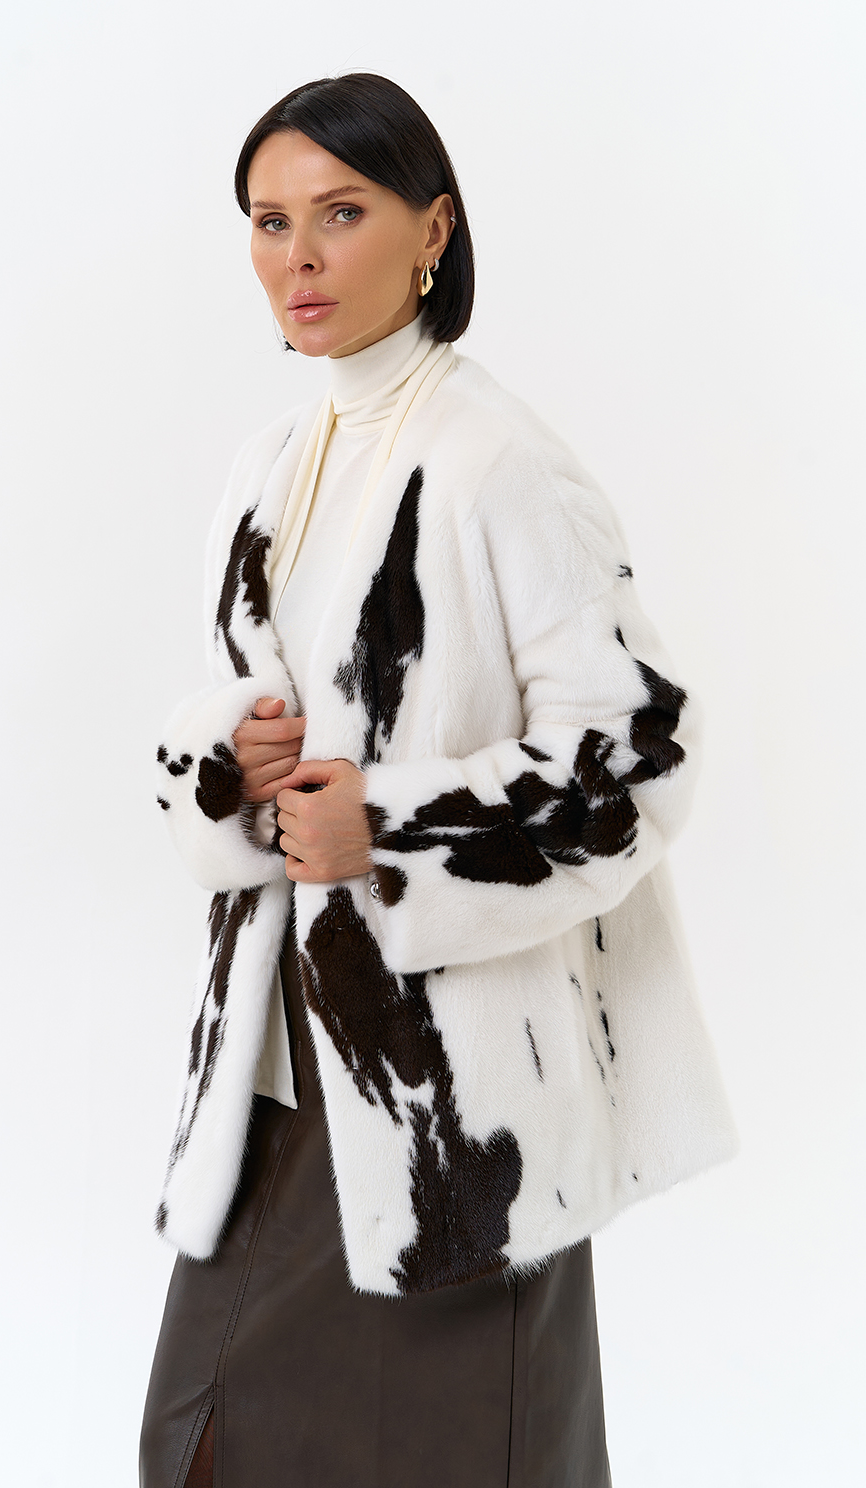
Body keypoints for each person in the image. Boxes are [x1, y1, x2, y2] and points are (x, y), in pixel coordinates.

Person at [140, 73, 737, 1488]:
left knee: (457, 1452)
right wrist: (226, 764)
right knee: (202, 1441)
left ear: (433, 230)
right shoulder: (270, 467)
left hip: (459, 1098)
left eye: (340, 213)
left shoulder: (499, 462)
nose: (299, 256)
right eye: (270, 221)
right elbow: (247, 736)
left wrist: (394, 833)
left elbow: (637, 755)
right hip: (282, 1061)